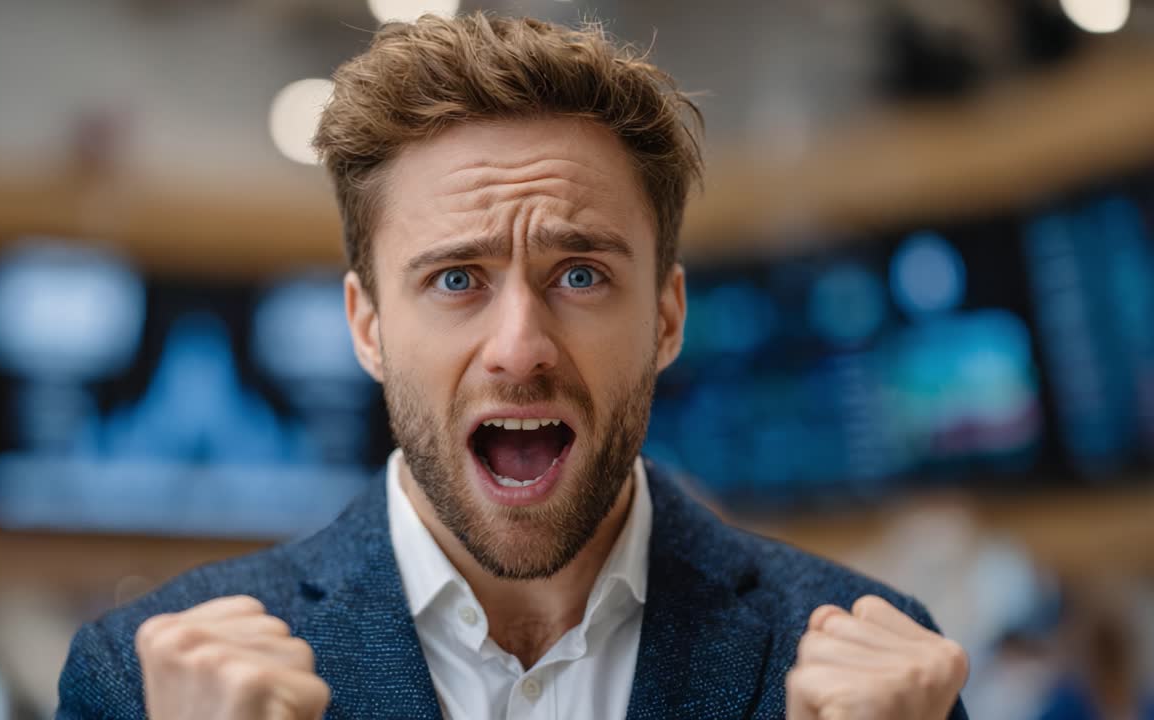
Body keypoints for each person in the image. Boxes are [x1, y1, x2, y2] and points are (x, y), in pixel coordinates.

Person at [56, 13, 969, 720]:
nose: (520, 346)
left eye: (580, 274)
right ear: (366, 326)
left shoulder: (877, 674)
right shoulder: (142, 680)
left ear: (665, 316)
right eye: (457, 278)